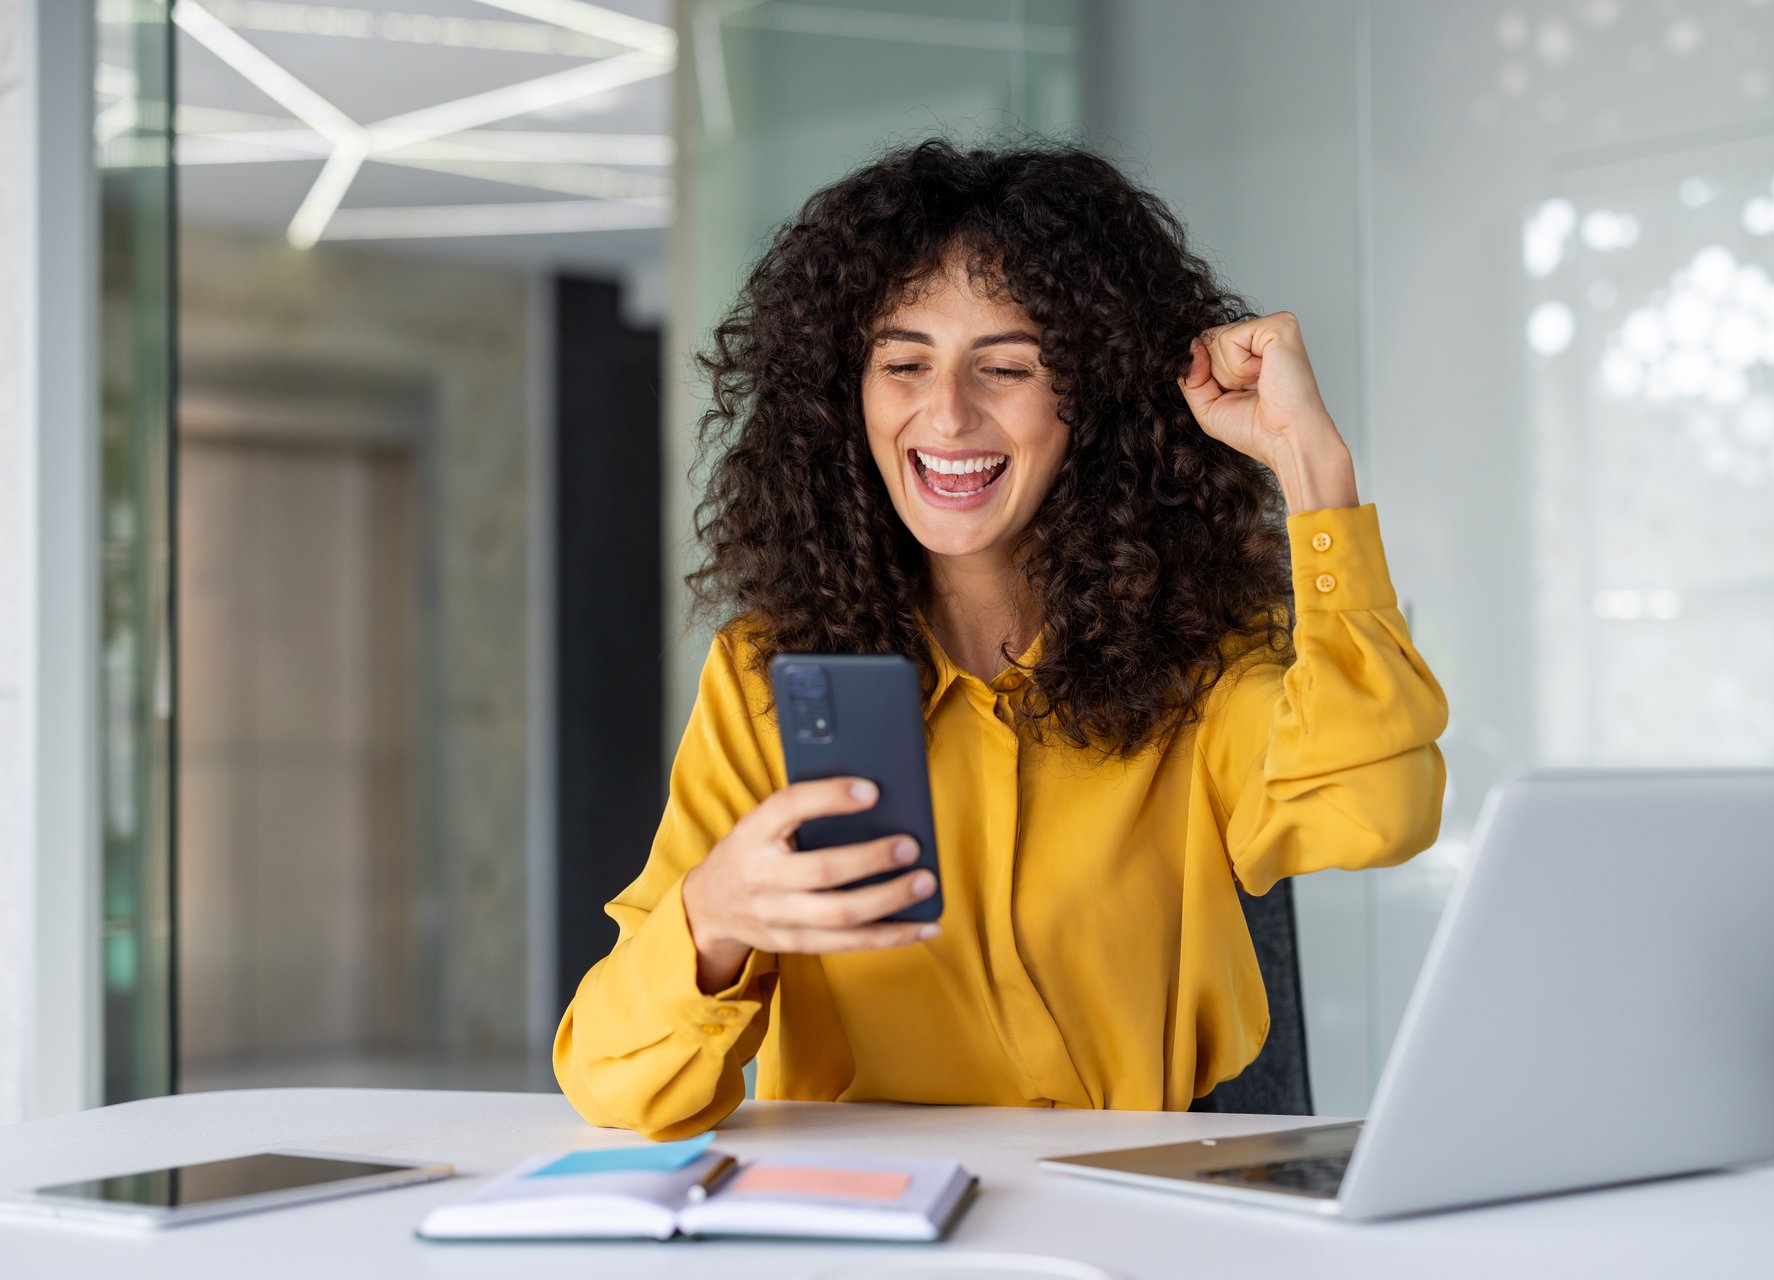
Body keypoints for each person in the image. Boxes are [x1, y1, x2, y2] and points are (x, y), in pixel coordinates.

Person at [554, 140, 1448, 1139]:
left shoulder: (1206, 660)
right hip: (882, 1223)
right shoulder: (769, 678)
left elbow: (1378, 810)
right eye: (904, 362)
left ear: (1092, 395)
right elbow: (612, 1080)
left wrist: (1312, 468)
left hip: (1133, 1214)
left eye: (1007, 366)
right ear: (844, 397)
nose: (947, 413)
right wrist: (709, 918)